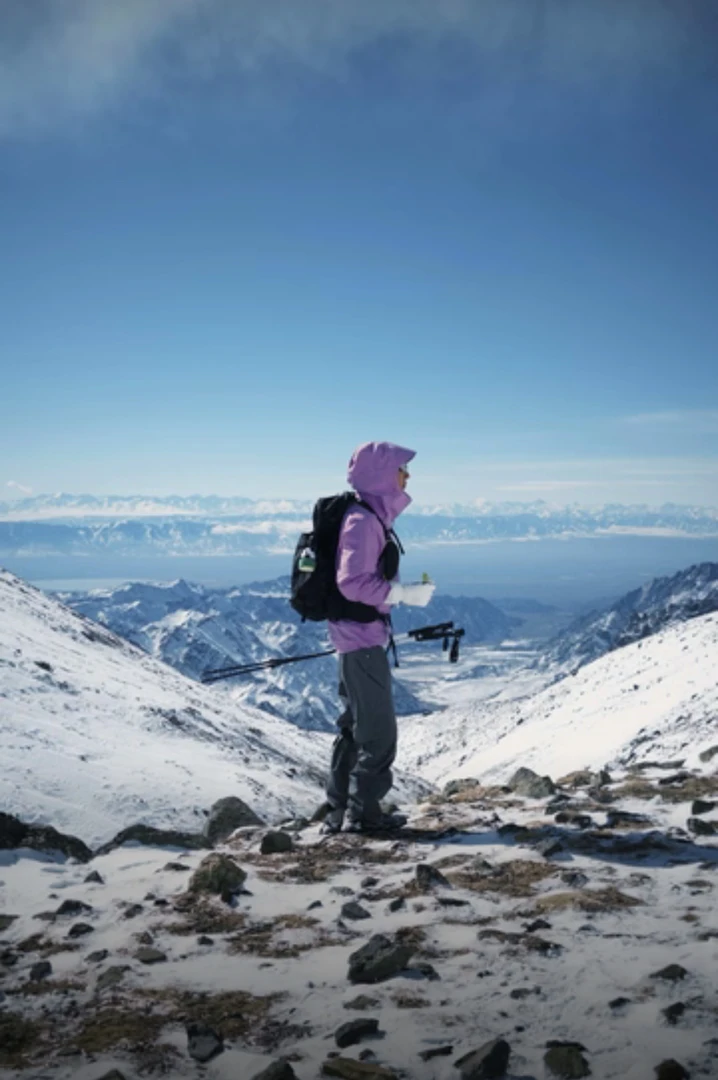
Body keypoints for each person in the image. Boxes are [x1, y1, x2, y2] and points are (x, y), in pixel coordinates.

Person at [321, 441, 435, 834]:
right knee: (378, 734)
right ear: (383, 475)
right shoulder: (364, 520)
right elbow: (352, 582)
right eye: (402, 469)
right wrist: (401, 595)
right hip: (361, 641)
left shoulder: (366, 516)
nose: (407, 476)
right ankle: (364, 817)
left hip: (357, 638)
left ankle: (339, 812)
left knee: (355, 728)